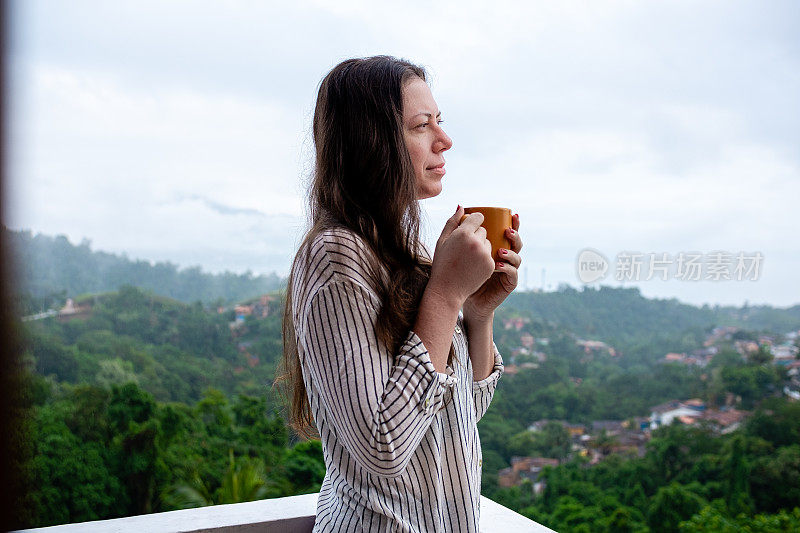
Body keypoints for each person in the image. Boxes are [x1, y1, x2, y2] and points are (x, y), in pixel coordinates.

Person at [279, 56, 523, 533]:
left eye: (440, 122)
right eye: (420, 125)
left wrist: (478, 311)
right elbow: (383, 447)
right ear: (374, 144)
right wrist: (446, 293)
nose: (444, 140)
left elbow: (459, 414)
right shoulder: (337, 257)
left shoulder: (401, 250)